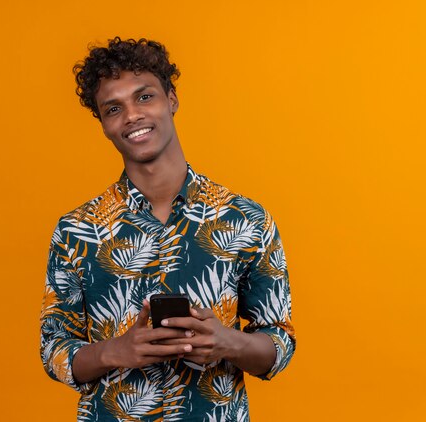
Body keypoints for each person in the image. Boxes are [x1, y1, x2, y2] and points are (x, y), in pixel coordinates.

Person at [40, 37, 295, 421]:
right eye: (113, 108)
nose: (132, 116)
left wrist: (228, 342)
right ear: (104, 124)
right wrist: (115, 351)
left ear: (171, 99)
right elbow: (53, 348)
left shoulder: (246, 220)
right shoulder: (78, 229)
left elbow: (279, 344)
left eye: (144, 97)